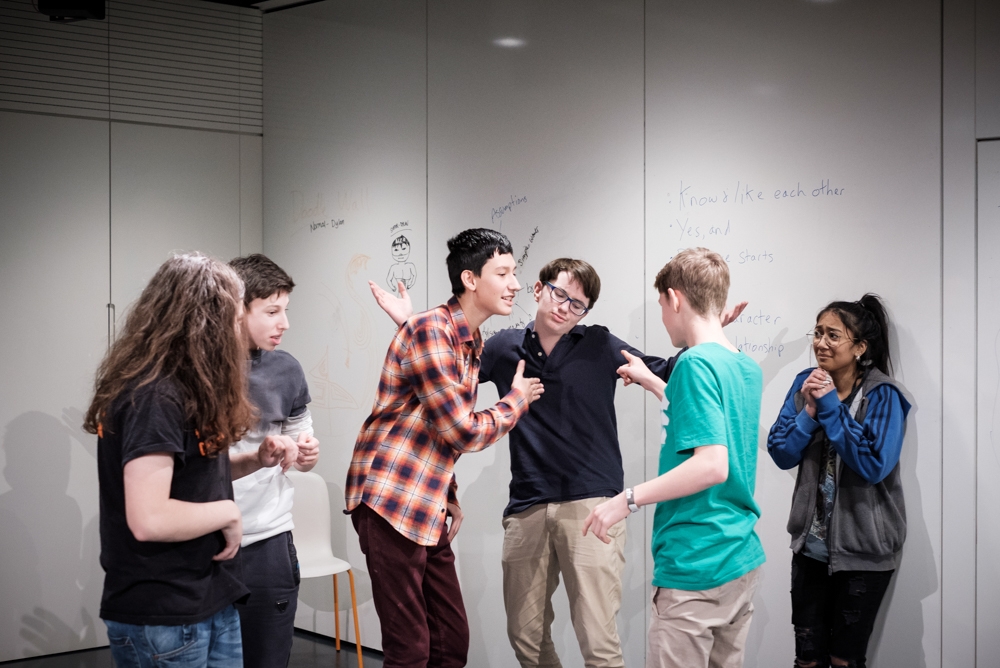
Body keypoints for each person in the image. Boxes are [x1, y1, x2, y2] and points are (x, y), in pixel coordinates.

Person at [371, 257, 748, 668]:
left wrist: (709, 332)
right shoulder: (503, 348)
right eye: (558, 293)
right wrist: (409, 324)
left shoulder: (600, 345)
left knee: (598, 644)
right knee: (525, 639)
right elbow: (445, 371)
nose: (564, 307)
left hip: (593, 505)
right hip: (527, 507)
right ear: (538, 289)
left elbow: (672, 370)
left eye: (577, 304)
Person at [345, 228, 545, 668]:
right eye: (504, 272)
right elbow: (460, 431)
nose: (515, 284)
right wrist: (516, 400)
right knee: (411, 648)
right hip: (389, 500)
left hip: (426, 500)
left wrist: (447, 494)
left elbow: (430, 429)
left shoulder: (465, 340)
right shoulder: (432, 330)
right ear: (471, 279)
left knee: (451, 641)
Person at [584, 247, 765, 668]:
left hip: (695, 562)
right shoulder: (744, 366)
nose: (663, 316)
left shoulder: (695, 364)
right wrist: (654, 383)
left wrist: (625, 500)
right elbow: (709, 422)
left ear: (675, 298)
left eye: (662, 305)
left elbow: (712, 463)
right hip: (738, 555)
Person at [84, 253, 264, 667]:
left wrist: (254, 460)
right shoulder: (154, 396)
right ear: (209, 323)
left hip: (208, 597)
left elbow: (190, 478)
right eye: (236, 317)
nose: (241, 329)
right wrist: (228, 512)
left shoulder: (186, 389)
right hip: (164, 611)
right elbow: (150, 519)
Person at [766, 294, 911, 668]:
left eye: (833, 335)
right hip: (810, 550)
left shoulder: (883, 395)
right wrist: (810, 412)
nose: (820, 343)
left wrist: (830, 408)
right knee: (807, 659)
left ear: (860, 348)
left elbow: (874, 464)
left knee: (844, 660)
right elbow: (781, 452)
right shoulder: (805, 383)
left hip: (865, 553)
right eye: (817, 333)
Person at [227, 254, 320, 668]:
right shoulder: (202, 369)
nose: (284, 323)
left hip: (269, 538)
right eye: (272, 311)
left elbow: (302, 448)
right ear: (236, 308)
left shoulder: (287, 370)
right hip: (208, 537)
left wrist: (306, 453)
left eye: (286, 311)